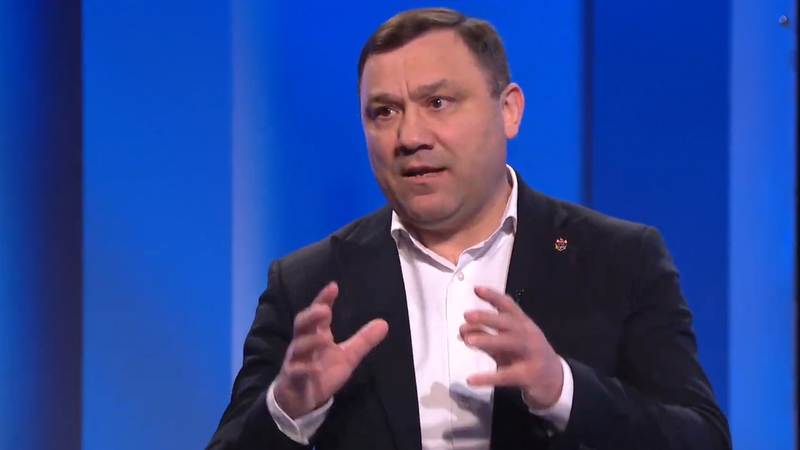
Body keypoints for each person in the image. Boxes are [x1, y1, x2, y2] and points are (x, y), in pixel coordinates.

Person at [206, 7, 731, 450]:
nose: (410, 136)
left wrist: (562, 389)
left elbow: (702, 439)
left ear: (509, 111)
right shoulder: (308, 285)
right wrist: (289, 410)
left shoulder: (618, 259)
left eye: (438, 102)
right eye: (384, 112)